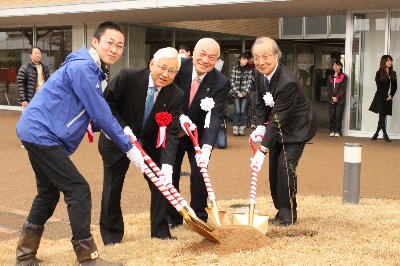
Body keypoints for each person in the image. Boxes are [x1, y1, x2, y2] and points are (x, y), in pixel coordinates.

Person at [15, 21, 144, 266]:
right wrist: (128, 147)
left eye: (120, 46)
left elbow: (88, 113)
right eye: (110, 43)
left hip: (37, 131)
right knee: (78, 189)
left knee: (48, 193)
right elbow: (100, 113)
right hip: (43, 134)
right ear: (94, 42)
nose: (115, 50)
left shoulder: (90, 68)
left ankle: (24, 257)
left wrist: (121, 132)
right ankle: (87, 258)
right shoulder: (85, 68)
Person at [98, 47, 183, 243]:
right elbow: (106, 105)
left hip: (151, 143)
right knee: (113, 186)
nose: (166, 74)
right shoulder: (128, 77)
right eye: (163, 67)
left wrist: (168, 165)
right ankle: (111, 235)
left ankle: (160, 232)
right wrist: (123, 130)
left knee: (160, 185)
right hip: (117, 139)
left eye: (172, 71)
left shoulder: (176, 94)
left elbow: (171, 130)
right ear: (152, 63)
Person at [249, 37, 317, 227]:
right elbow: (260, 102)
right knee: (273, 170)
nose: (261, 62)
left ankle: (289, 214)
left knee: (285, 168)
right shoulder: (258, 74)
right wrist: (260, 126)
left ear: (277, 56)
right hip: (277, 127)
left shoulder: (288, 82)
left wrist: (262, 150)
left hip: (297, 127)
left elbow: (278, 117)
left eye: (266, 56)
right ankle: (281, 209)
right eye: (256, 57)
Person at [167, 38, 229, 228]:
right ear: (193, 52)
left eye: (212, 57)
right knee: (171, 172)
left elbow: (216, 116)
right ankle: (173, 216)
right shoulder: (178, 68)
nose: (205, 60)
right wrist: (180, 118)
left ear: (217, 60)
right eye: (202, 54)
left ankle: (199, 215)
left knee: (200, 172)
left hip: (200, 135)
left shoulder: (220, 81)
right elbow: (167, 99)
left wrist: (208, 147)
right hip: (175, 130)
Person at [369, 55, 397, 142]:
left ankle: (376, 133)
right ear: (383, 62)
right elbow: (379, 88)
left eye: (391, 60)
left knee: (382, 116)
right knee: (382, 116)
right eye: (388, 61)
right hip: (380, 97)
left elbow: (395, 86)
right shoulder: (379, 73)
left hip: (389, 98)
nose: (390, 62)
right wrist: (386, 96)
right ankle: (385, 134)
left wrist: (391, 95)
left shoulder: (393, 73)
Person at [230, 53, 253, 136]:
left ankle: (241, 128)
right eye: (243, 59)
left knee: (243, 111)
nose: (245, 61)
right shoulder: (235, 68)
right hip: (236, 93)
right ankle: (235, 127)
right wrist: (237, 92)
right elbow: (232, 81)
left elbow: (249, 82)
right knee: (237, 110)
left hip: (245, 94)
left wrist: (243, 92)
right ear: (240, 59)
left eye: (246, 59)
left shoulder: (249, 69)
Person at [326, 61, 347, 137]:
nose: (335, 67)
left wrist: (337, 97)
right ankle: (332, 130)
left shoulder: (343, 76)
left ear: (341, 67)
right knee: (332, 115)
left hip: (340, 100)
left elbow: (342, 89)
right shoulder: (330, 76)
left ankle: (338, 131)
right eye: (334, 65)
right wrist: (332, 97)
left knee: (338, 115)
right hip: (331, 99)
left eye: (337, 65)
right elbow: (328, 88)